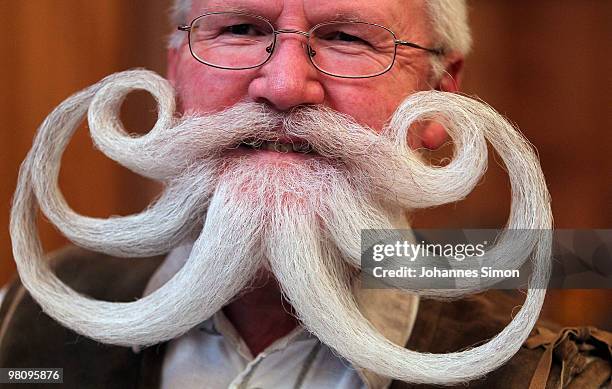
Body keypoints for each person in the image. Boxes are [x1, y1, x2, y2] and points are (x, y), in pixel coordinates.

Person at [1, 1, 610, 388]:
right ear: (175, 77)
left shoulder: (560, 379)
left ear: (442, 94)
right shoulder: (16, 333)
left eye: (348, 38)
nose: (286, 86)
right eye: (239, 29)